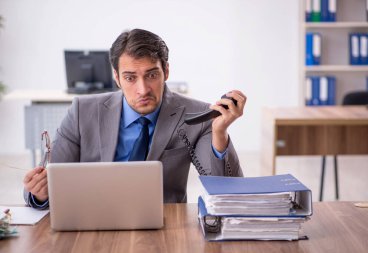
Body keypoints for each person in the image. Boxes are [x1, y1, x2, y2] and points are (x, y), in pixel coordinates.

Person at [23, 29, 246, 209]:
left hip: (164, 224)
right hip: (93, 218)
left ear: (166, 72)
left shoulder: (197, 115)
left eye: (151, 75)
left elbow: (228, 192)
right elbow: (50, 180)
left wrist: (219, 133)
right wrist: (40, 194)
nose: (142, 89)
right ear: (116, 77)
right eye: (130, 77)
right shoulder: (82, 111)